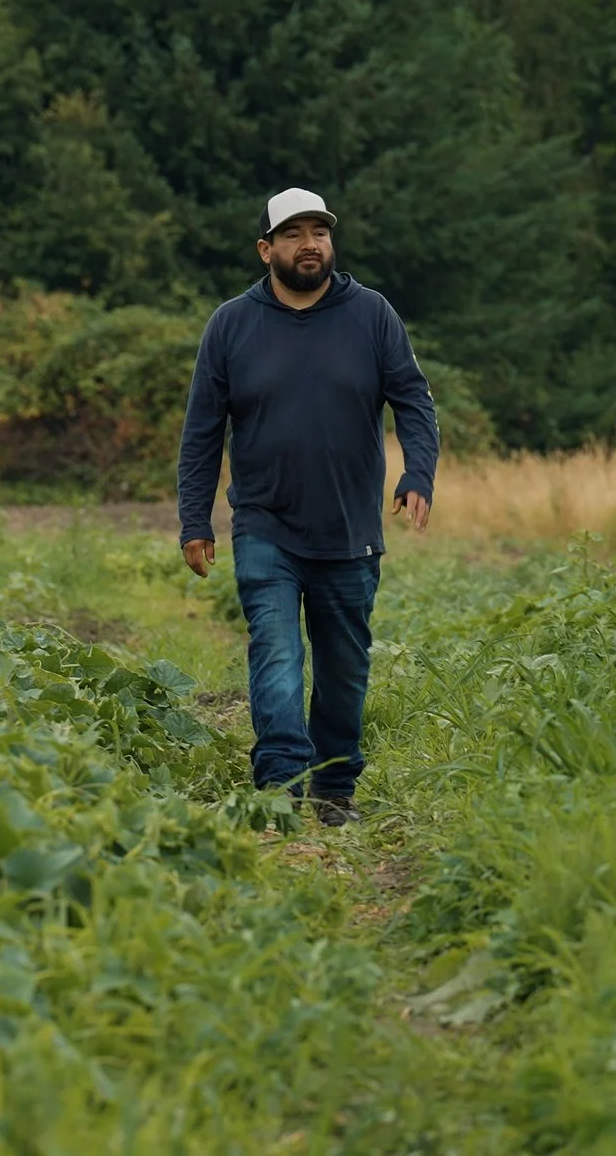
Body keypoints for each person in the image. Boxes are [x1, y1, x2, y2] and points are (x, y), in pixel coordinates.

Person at [177, 187, 439, 827]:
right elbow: (202, 432)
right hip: (265, 523)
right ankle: (280, 788)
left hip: (351, 529)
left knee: (344, 669)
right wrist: (194, 519)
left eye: (318, 231)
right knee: (277, 652)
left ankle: (333, 788)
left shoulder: (372, 315)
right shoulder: (231, 325)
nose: (309, 244)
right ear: (267, 249)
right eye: (293, 234)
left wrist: (418, 473)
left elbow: (413, 400)